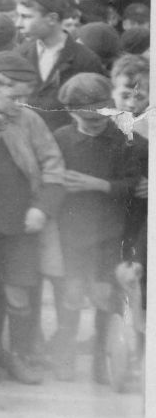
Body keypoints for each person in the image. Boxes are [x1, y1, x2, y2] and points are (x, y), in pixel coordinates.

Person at [0, 50, 65, 384]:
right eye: (13, 96)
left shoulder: (31, 121)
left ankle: (18, 356)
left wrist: (42, 207)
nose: (20, 103)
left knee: (19, 292)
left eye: (24, 97)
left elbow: (53, 166)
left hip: (23, 224)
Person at [45, 72, 141, 383]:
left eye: (100, 120)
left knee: (103, 295)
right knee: (71, 294)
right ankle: (65, 358)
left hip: (109, 232)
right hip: (71, 231)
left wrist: (97, 184)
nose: (95, 126)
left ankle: (103, 358)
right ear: (70, 113)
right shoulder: (60, 139)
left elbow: (134, 186)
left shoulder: (125, 140)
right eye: (87, 121)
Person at [14, 0, 106, 133]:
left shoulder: (86, 60)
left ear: (51, 18)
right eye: (18, 16)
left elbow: (94, 116)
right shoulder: (19, 55)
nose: (18, 24)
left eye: (26, 16)